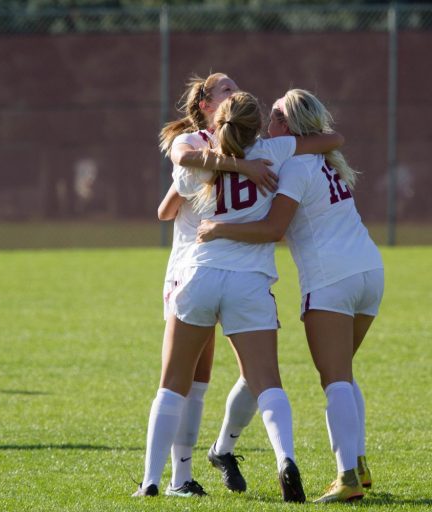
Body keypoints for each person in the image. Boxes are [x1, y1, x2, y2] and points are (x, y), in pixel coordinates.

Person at [134, 90, 344, 502]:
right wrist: (250, 162)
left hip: (200, 273)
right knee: (267, 382)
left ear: (218, 123)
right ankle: (285, 458)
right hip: (249, 280)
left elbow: (171, 200)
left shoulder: (202, 157)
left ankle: (152, 481)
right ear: (257, 124)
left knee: (172, 385)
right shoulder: (273, 150)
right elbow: (330, 140)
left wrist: (222, 156)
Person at [196, 89, 384, 503]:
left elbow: (272, 230)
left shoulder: (295, 165)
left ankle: (347, 476)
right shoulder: (321, 159)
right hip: (370, 271)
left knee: (334, 380)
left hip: (332, 279)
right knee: (345, 374)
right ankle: (360, 464)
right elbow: (333, 141)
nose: (269, 120)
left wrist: (218, 228)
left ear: (288, 124)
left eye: (276, 113)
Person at [141, 73, 277, 498]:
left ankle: (178, 478)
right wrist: (242, 167)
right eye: (225, 90)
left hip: (213, 268)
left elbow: (166, 208)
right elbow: (173, 188)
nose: (234, 93)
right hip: (192, 267)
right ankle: (172, 478)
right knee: (185, 379)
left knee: (198, 380)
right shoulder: (197, 142)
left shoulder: (230, 143)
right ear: (204, 104)